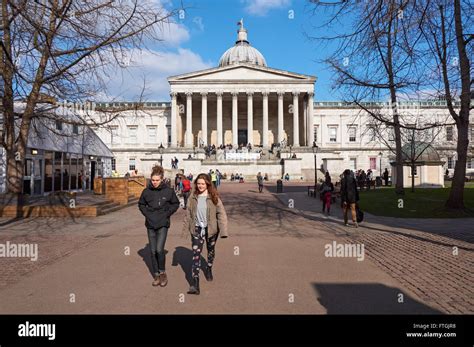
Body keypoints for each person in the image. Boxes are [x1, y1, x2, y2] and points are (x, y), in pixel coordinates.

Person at [182, 173, 228, 295]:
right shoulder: (192, 197)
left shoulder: (213, 196)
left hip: (211, 229)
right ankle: (195, 284)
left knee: (210, 250)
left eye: (203, 184)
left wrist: (223, 231)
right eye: (198, 183)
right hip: (197, 229)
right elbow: (188, 214)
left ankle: (208, 268)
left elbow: (221, 214)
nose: (200, 186)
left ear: (207, 184)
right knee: (196, 255)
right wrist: (184, 231)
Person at [138, 166, 180, 287]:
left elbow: (175, 203)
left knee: (159, 250)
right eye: (153, 180)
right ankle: (156, 274)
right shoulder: (146, 191)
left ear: (162, 179)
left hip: (163, 224)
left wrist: (167, 214)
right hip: (150, 224)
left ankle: (162, 273)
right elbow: (141, 204)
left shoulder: (168, 191)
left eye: (157, 180)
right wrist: (147, 214)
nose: (155, 182)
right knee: (152, 251)